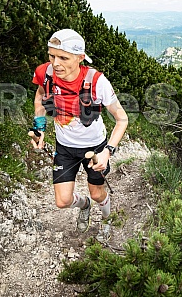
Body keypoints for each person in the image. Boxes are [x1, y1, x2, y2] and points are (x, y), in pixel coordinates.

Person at [30, 28, 128, 242]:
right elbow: (39, 98)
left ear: (80, 58)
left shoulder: (97, 81)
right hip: (64, 148)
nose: (56, 63)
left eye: (63, 57)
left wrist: (107, 152)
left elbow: (122, 119)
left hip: (95, 148)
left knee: (98, 193)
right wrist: (39, 127)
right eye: (51, 56)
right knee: (62, 201)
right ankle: (84, 205)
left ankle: (106, 219)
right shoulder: (45, 74)